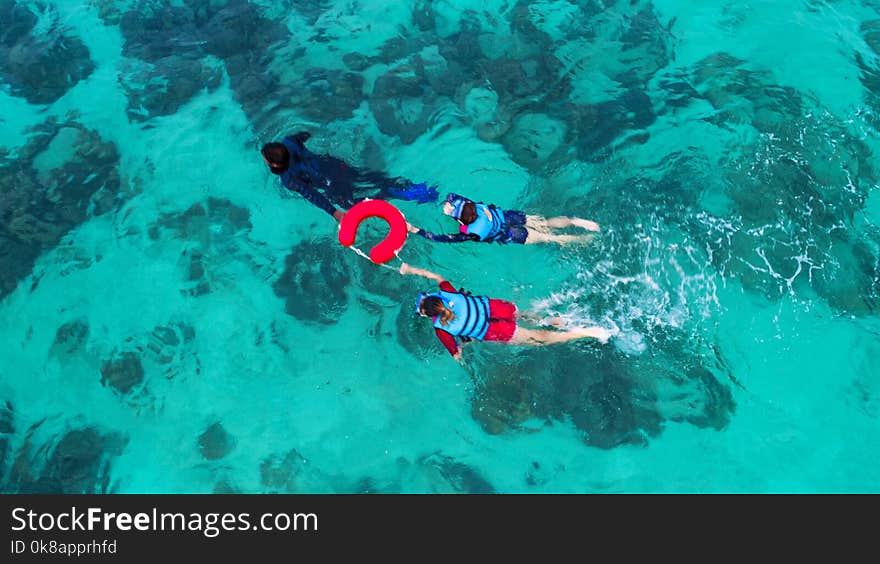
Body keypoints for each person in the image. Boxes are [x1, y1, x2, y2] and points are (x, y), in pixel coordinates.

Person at [399, 262, 614, 361]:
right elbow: (435, 276)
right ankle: (556, 320)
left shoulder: (441, 330)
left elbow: (456, 355)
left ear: (429, 315)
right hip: (497, 308)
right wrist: (410, 269)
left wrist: (464, 347)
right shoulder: (448, 292)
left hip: (496, 331)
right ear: (435, 298)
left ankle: (587, 332)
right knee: (528, 316)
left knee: (538, 339)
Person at [262, 131, 438, 222]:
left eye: (266, 160)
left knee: (365, 201)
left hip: (332, 186)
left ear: (275, 164)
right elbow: (305, 135)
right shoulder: (289, 142)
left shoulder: (288, 179)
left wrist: (333, 211)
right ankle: (420, 190)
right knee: (371, 179)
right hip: (336, 166)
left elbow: (311, 194)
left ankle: (399, 193)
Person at [407, 192, 601, 245]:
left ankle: (582, 240)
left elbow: (442, 239)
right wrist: (452, 205)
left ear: (461, 222)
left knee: (553, 239)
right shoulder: (472, 205)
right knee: (546, 223)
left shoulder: (471, 234)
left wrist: (416, 230)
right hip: (511, 217)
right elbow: (453, 196)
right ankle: (576, 222)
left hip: (513, 235)